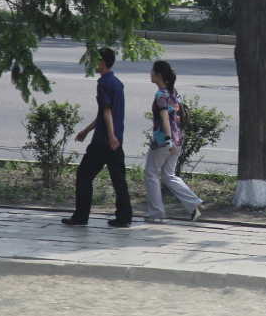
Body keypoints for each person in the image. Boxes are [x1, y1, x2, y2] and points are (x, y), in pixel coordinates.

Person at [62, 47, 133, 228]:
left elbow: (107, 110)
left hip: (103, 141)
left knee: (84, 176)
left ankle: (81, 217)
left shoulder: (102, 83)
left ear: (101, 62)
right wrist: (86, 130)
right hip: (117, 141)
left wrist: (109, 136)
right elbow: (104, 113)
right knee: (119, 181)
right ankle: (124, 217)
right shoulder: (118, 83)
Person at [144, 60, 203, 222]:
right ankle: (194, 204)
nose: (150, 74)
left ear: (159, 75)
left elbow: (164, 118)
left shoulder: (160, 95)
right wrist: (173, 141)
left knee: (151, 174)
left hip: (164, 140)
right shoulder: (174, 92)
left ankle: (156, 213)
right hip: (178, 139)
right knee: (169, 175)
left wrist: (168, 141)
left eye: (152, 71)